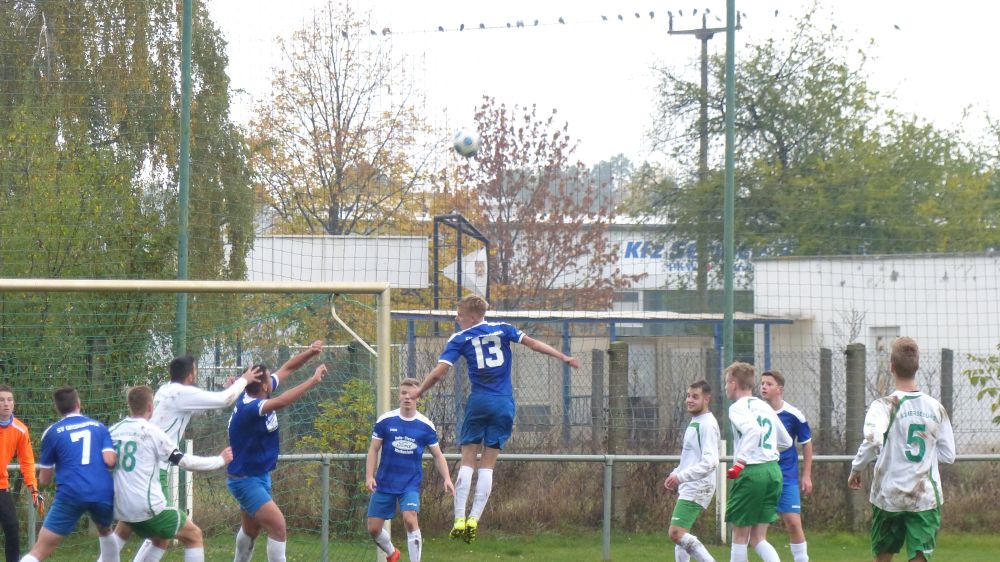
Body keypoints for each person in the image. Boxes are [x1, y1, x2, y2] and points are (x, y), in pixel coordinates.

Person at [414, 294, 580, 543]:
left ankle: (459, 518)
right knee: (488, 464)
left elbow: (439, 373)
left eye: (459, 315)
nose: (456, 319)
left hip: (479, 401)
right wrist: (563, 357)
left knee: (468, 459)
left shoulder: (461, 338)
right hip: (504, 403)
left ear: (471, 316)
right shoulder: (504, 329)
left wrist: (419, 391)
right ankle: (474, 520)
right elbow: (533, 343)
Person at [100, 354, 266, 562]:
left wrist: (231, 387)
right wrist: (245, 380)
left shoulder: (166, 390)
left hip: (138, 468)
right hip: (154, 470)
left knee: (139, 531)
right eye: (195, 371)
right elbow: (224, 400)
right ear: (190, 375)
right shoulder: (181, 394)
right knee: (190, 534)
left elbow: (208, 403)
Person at [848, 337, 956, 562]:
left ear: (892, 367)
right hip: (924, 496)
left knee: (883, 557)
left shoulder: (884, 406)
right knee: (919, 558)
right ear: (917, 366)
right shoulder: (936, 408)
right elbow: (948, 455)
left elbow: (871, 439)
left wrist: (856, 468)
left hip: (889, 495)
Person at [109, 386, 234, 562]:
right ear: (151, 407)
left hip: (121, 507)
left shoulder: (113, 431)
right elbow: (184, 462)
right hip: (148, 509)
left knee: (161, 537)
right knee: (194, 535)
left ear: (129, 405)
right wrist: (219, 460)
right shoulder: (152, 433)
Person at [228, 351, 328, 562]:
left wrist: (311, 351)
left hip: (257, 474)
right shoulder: (251, 407)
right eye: (268, 377)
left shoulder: (255, 393)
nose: (273, 377)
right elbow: (282, 401)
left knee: (251, 529)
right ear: (264, 386)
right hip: (245, 479)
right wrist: (313, 380)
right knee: (278, 526)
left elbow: (287, 368)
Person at [20, 387, 118, 562]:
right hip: (101, 491)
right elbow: (110, 460)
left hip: (71, 493)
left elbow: (45, 478)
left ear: (57, 408)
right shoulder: (100, 427)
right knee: (106, 531)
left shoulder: (52, 433)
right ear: (78, 403)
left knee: (40, 550)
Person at [365, 378, 455, 562]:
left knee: (410, 519)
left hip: (410, 484)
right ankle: (392, 553)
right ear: (399, 395)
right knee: (373, 529)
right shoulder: (385, 420)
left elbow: (438, 455)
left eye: (412, 393)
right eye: (404, 393)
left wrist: (447, 478)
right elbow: (374, 449)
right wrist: (369, 476)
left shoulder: (425, 426)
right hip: (385, 481)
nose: (407, 397)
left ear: (418, 397)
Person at [723, 362, 792, 562]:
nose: (726, 387)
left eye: (727, 383)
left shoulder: (737, 408)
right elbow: (786, 441)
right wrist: (766, 450)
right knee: (758, 537)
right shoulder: (764, 406)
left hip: (752, 473)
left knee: (739, 536)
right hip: (772, 471)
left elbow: (753, 430)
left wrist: (740, 462)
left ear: (734, 383)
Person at [760, 370, 813, 562]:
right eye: (762, 383)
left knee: (792, 522)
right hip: (763, 475)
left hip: (786, 476)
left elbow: (806, 443)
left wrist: (806, 475)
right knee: (758, 528)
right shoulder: (756, 412)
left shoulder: (793, 415)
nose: (764, 387)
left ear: (779, 389)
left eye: (769, 384)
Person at [663, 380, 719, 562]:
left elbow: (710, 461)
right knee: (681, 537)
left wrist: (681, 476)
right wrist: (676, 472)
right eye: (688, 396)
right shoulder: (696, 421)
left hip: (698, 486)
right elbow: (690, 458)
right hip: (690, 484)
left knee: (676, 533)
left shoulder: (707, 424)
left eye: (695, 397)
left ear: (707, 399)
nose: (690, 400)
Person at [0, 385, 40, 562]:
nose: (6, 404)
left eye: (9, 400)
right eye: (1, 400)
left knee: (12, 528)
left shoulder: (20, 430)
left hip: (1, 486)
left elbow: (27, 461)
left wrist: (33, 488)